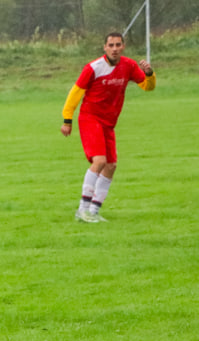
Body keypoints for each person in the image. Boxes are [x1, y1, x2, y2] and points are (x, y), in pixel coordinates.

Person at [61, 32, 156, 223]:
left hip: (108, 123)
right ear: (104, 47)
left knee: (111, 165)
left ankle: (94, 211)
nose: (114, 48)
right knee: (100, 161)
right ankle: (82, 210)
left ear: (123, 46)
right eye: (111, 45)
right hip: (90, 118)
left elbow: (148, 87)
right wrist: (67, 119)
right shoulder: (93, 68)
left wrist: (149, 74)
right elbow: (75, 93)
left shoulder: (128, 66)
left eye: (118, 45)